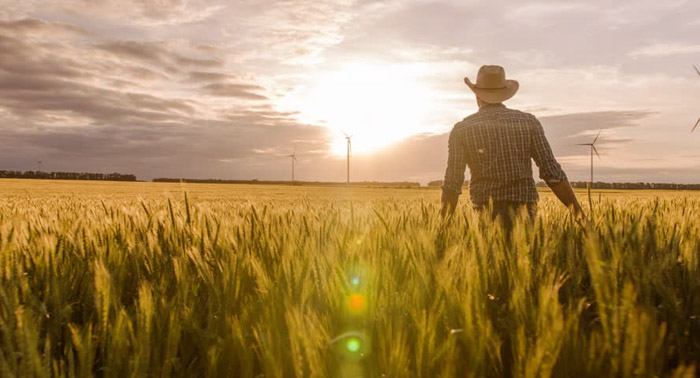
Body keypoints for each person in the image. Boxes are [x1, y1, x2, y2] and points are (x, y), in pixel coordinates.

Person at [440, 65, 584, 227]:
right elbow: (552, 172)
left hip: (485, 216)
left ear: (477, 95)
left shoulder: (462, 129)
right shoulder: (528, 122)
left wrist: (442, 227)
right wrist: (581, 216)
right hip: (525, 214)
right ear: (504, 94)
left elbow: (452, 182)